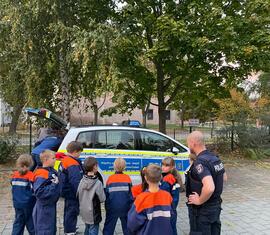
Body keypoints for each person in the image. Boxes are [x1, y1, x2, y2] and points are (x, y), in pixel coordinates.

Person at [186, 131, 225, 235]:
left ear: (193, 143)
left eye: (188, 143)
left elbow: (209, 187)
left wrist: (199, 200)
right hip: (215, 206)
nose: (188, 146)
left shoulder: (200, 162)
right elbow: (224, 177)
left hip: (203, 210)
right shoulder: (215, 158)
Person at [127, 164, 173, 235]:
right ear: (161, 177)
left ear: (145, 178)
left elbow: (132, 223)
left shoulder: (141, 198)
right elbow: (171, 216)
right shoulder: (167, 196)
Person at [32, 150, 60, 235]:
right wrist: (54, 185)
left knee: (50, 230)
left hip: (50, 206)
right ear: (46, 159)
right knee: (45, 231)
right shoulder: (41, 174)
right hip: (44, 208)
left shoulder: (50, 170)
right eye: (53, 158)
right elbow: (40, 192)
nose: (55, 160)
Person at [59, 141, 84, 235]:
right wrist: (80, 192)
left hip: (66, 190)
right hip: (72, 192)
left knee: (68, 210)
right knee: (72, 211)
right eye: (79, 152)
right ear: (75, 152)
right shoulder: (72, 163)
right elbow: (75, 181)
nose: (80, 154)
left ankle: (69, 227)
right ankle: (70, 231)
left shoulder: (66, 160)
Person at [103, 158, 133, 235]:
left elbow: (107, 195)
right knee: (127, 227)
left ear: (114, 166)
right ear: (124, 167)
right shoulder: (127, 178)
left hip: (112, 208)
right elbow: (131, 194)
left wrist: (107, 207)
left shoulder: (110, 178)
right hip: (125, 207)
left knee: (109, 227)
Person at [77, 157, 106, 235]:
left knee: (87, 227)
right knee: (93, 229)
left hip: (84, 211)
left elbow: (78, 194)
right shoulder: (98, 183)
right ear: (95, 167)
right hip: (94, 213)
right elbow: (102, 198)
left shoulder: (82, 180)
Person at [11, 154, 35, 235]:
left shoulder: (14, 174)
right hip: (28, 204)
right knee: (31, 222)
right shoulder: (31, 175)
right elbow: (33, 190)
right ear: (31, 164)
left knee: (18, 222)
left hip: (17, 203)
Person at [160, 157, 183, 235]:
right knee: (172, 228)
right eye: (162, 164)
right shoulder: (174, 176)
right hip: (173, 208)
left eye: (166, 165)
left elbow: (163, 196)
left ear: (172, 167)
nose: (163, 167)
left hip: (167, 209)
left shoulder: (167, 179)